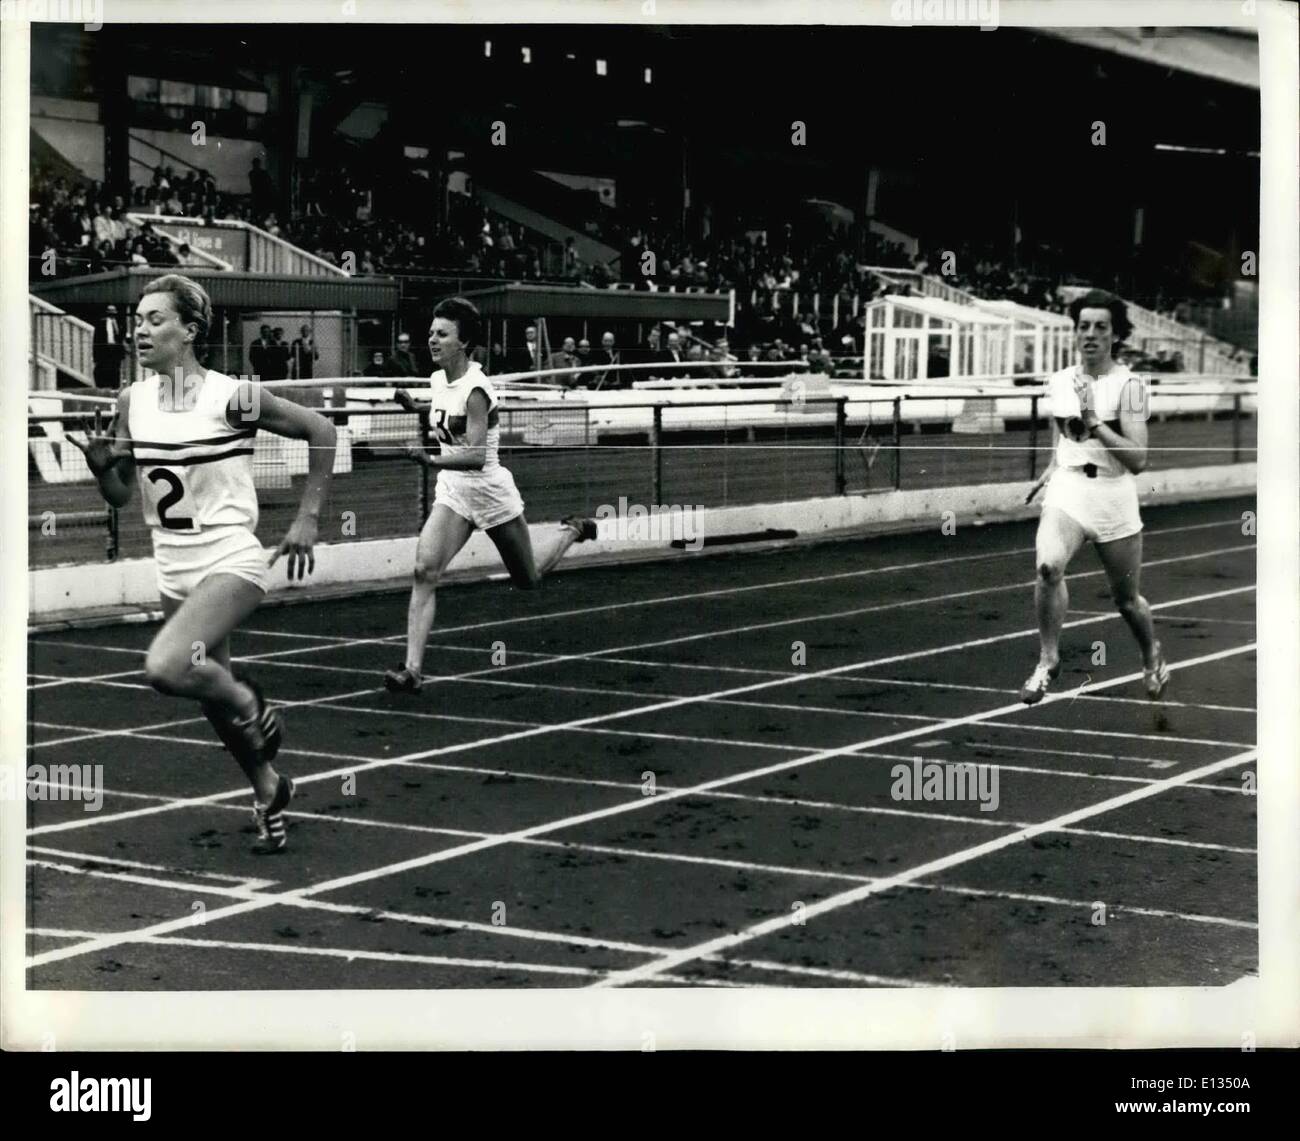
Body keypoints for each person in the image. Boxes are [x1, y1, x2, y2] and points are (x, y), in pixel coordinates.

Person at [67, 274, 336, 852]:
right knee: (208, 693)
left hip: (229, 556)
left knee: (167, 668)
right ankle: (269, 789)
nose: (140, 329)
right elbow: (120, 496)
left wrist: (308, 517)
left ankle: (251, 698)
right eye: (137, 319)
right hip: (173, 564)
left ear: (190, 331)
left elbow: (321, 430)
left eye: (155, 319)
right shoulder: (131, 401)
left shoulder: (231, 396)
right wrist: (101, 469)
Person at [384, 297, 597, 693]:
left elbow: (477, 455)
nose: (432, 340)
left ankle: (571, 530)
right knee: (424, 570)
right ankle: (412, 669)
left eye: (442, 334)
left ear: (463, 342)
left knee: (528, 579)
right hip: (454, 491)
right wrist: (416, 406)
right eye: (431, 333)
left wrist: (430, 461)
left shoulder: (478, 389)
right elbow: (446, 414)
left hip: (488, 490)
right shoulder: (437, 380)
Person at [1020, 289, 1167, 704]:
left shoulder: (1130, 386)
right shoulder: (1060, 380)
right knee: (1048, 566)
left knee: (1126, 601)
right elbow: (1061, 429)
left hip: (1112, 495)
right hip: (1069, 488)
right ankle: (1048, 660)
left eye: (1100, 327)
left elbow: (1138, 459)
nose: (1090, 335)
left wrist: (1097, 423)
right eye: (1083, 326)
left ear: (1115, 335)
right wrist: (1052, 466)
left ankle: (1150, 653)